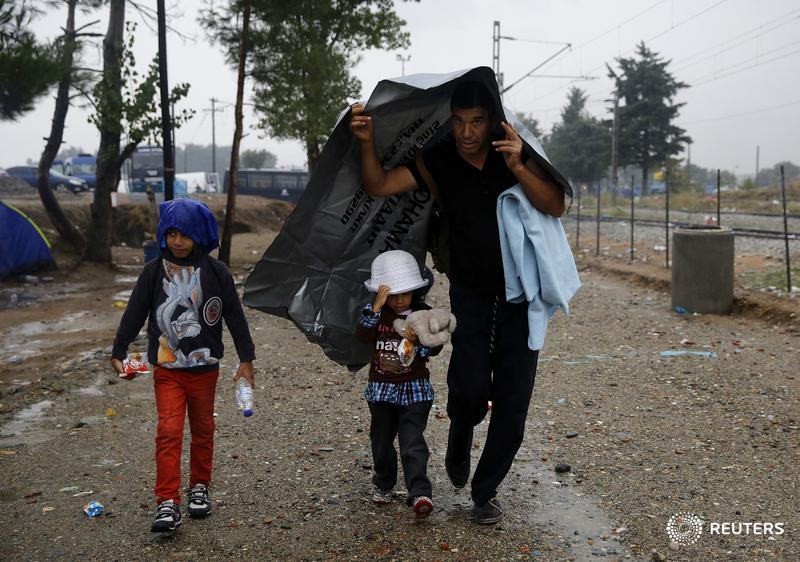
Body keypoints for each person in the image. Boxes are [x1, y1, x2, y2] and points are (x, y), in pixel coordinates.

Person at [349, 80, 566, 524]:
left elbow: (556, 203)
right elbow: (379, 184)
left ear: (492, 122)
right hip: (470, 292)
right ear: (450, 121)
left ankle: (485, 493)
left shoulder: (515, 152)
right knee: (467, 387)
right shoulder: (439, 160)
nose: (467, 132)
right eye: (460, 122)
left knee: (512, 402)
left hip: (521, 296)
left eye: (477, 122)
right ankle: (461, 432)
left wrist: (519, 165)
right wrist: (367, 144)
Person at [111, 198, 256, 533]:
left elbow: (234, 317)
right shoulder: (152, 272)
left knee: (204, 429)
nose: (178, 241)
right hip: (167, 371)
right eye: (172, 233)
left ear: (200, 235)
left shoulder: (217, 273)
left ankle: (200, 487)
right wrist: (119, 350)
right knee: (169, 431)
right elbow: (134, 313)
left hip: (205, 370)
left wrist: (246, 359)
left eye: (186, 235)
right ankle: (167, 502)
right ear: (164, 234)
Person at [355, 250, 443, 519]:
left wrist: (420, 341)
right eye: (392, 294)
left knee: (412, 441)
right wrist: (376, 308)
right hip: (381, 390)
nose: (399, 299)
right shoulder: (375, 314)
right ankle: (384, 481)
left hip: (415, 389)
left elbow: (435, 349)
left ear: (415, 290)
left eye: (404, 293)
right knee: (381, 441)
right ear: (381, 294)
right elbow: (363, 335)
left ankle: (419, 492)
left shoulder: (423, 314)